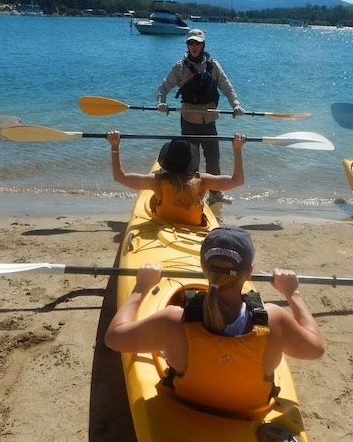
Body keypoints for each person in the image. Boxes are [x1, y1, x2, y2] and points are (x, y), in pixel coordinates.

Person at [105, 225, 325, 414]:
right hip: (250, 411)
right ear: (248, 272)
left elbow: (114, 338)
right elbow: (315, 349)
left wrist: (141, 288)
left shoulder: (171, 321)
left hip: (189, 407)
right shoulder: (274, 319)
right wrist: (292, 293)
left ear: (203, 268)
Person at [156, 28, 245, 205]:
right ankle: (191, 192)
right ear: (187, 45)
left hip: (209, 120)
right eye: (190, 43)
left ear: (203, 44)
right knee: (190, 160)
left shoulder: (213, 66)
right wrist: (161, 103)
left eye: (197, 43)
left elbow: (227, 88)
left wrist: (236, 105)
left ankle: (215, 194)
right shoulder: (180, 67)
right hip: (189, 120)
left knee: (213, 159)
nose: (194, 46)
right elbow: (163, 88)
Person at [106, 130, 245, 226]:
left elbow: (120, 177)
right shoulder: (203, 181)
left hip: (164, 225)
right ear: (191, 161)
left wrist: (114, 147)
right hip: (195, 228)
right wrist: (237, 149)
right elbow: (237, 181)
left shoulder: (156, 181)